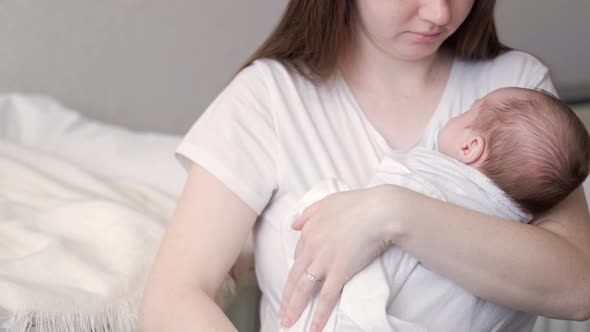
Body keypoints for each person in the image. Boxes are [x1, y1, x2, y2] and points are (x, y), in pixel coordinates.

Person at [139, 1, 590, 332]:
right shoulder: (268, 99)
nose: (438, 12)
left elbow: (577, 288)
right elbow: (172, 297)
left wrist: (390, 213)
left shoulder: (514, 92)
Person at [280, 86, 590, 331]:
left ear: (470, 147)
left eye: (470, 110)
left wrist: (320, 203)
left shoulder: (430, 180)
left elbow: (580, 288)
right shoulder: (518, 229)